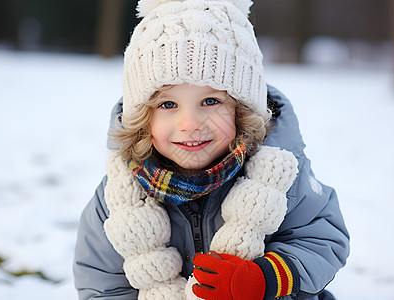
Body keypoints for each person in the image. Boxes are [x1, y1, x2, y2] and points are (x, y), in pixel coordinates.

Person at [73, 0, 350, 299]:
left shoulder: (281, 178)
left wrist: (264, 278)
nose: (190, 123)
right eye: (168, 104)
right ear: (143, 119)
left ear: (240, 111)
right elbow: (102, 283)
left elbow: (322, 239)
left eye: (210, 102)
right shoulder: (116, 199)